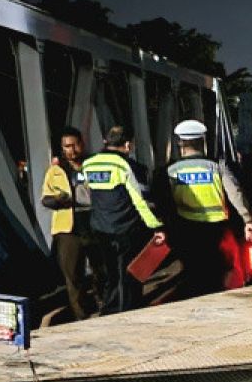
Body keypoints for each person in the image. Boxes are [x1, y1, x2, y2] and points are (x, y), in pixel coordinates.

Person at [157, 119, 252, 297]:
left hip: (187, 229)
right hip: (217, 230)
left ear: (180, 143)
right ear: (203, 142)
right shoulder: (217, 166)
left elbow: (164, 203)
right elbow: (236, 193)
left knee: (195, 274)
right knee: (222, 271)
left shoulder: (170, 171)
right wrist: (247, 219)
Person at [82, 126, 165, 314]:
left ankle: (109, 309)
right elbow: (140, 200)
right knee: (129, 273)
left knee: (111, 273)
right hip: (126, 228)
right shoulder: (128, 166)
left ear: (106, 142)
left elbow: (88, 192)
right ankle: (127, 310)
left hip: (100, 228)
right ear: (127, 145)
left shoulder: (89, 164)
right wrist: (156, 226)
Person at [40, 127, 101, 320]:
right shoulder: (56, 171)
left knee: (101, 271)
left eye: (74, 145)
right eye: (67, 146)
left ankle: (105, 307)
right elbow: (45, 198)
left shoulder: (93, 165)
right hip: (67, 230)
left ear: (82, 144)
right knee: (73, 276)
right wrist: (60, 199)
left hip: (94, 224)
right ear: (62, 148)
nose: (71, 150)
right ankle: (81, 315)